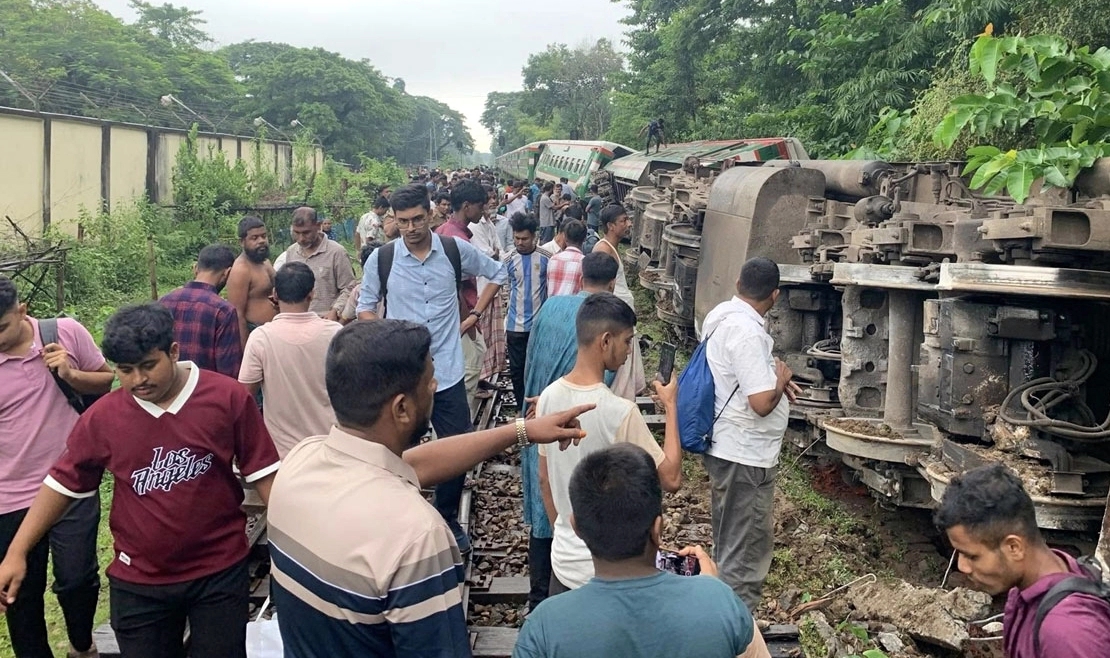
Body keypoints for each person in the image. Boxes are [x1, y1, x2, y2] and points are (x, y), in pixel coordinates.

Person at [267, 320, 593, 658]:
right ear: (402, 409)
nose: (435, 385)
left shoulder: (300, 461)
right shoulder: (416, 534)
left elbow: (413, 465)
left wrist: (521, 430)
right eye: (428, 381)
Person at [0, 303, 281, 658]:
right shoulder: (103, 418)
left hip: (218, 573)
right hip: (140, 582)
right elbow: (62, 484)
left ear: (173, 351)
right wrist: (17, 551)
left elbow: (264, 473)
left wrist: (298, 546)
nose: (138, 380)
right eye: (125, 370)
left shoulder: (226, 398)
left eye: (148, 366)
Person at [357, 183, 507, 553]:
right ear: (394, 219)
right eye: (403, 221)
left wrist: (474, 314)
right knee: (388, 451)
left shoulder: (454, 250)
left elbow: (497, 273)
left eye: (418, 219)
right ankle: (394, 519)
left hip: (447, 371)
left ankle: (447, 518)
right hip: (401, 378)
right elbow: (365, 305)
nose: (411, 228)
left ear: (431, 214)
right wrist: (383, 336)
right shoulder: (383, 258)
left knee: (457, 447)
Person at [515, 443, 769, 658]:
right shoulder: (721, 603)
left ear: (576, 528)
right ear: (658, 528)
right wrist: (714, 592)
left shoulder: (545, 625)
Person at [0, 276, 114, 658]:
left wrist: (71, 375)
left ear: (22, 311)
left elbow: (108, 383)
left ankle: (82, 646)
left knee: (77, 579)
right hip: (10, 496)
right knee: (20, 593)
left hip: (72, 484)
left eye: (1, 327)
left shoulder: (64, 332)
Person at [538, 293, 682, 593]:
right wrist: (670, 406)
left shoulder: (549, 397)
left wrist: (564, 536)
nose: (629, 351)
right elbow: (671, 478)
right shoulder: (619, 411)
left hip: (562, 566)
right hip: (608, 575)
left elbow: (544, 480)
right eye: (627, 341)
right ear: (606, 341)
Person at [520, 252, 618, 610]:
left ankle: (537, 600)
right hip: (586, 429)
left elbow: (530, 358)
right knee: (581, 510)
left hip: (541, 420)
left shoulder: (550, 308)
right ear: (611, 284)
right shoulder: (609, 323)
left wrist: (532, 404)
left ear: (580, 278)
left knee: (545, 501)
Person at [702, 257, 799, 612]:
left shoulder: (720, 316)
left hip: (728, 446)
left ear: (739, 282)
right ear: (775, 295)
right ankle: (734, 631)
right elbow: (760, 403)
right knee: (745, 554)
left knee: (729, 541)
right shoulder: (746, 331)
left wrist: (772, 380)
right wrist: (781, 380)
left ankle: (719, 617)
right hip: (745, 456)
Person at [934, 464, 1110, 658]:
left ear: (1014, 547)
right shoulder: (1025, 591)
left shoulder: (1067, 635)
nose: (962, 566)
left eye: (972, 556)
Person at [238, 262, 342, 458]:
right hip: (331, 447)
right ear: (312, 293)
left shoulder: (261, 338)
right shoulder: (335, 333)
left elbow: (244, 396)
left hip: (283, 454)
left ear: (275, 294)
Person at [436, 179, 491, 415]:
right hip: (461, 319)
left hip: (458, 319)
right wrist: (468, 323)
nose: (483, 211)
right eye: (481, 206)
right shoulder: (456, 239)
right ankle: (457, 437)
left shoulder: (445, 231)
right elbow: (453, 288)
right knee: (467, 376)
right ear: (467, 206)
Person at [159, 243, 243, 378]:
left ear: (195, 268)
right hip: (206, 393)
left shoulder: (164, 302)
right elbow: (229, 370)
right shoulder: (224, 311)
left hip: (168, 391)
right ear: (227, 273)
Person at [592, 205, 645, 400]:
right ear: (610, 225)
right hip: (615, 321)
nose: (628, 224)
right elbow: (602, 289)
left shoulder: (610, 247)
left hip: (621, 319)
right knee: (618, 370)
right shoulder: (603, 249)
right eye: (623, 220)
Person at [504, 212, 550, 415]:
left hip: (539, 326)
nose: (519, 242)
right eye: (516, 238)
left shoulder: (547, 259)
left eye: (524, 239)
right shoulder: (508, 259)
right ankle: (521, 409)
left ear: (534, 237)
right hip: (515, 325)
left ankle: (539, 405)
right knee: (516, 369)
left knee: (538, 367)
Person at [281, 206, 357, 321]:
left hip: (326, 321)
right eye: (297, 233)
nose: (301, 238)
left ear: (318, 226)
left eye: (306, 233)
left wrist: (335, 310)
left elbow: (349, 287)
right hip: (298, 322)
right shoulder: (292, 252)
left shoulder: (336, 252)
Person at [226, 216, 277, 349]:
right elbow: (237, 314)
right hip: (256, 333)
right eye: (254, 238)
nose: (261, 241)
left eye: (263, 236)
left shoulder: (264, 261)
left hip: (274, 330)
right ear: (242, 242)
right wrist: (246, 350)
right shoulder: (241, 270)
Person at [547, 220, 587, 296]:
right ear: (584, 239)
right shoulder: (584, 262)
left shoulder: (553, 259)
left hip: (551, 306)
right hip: (573, 306)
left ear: (565, 237)